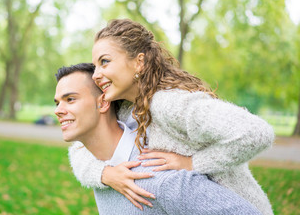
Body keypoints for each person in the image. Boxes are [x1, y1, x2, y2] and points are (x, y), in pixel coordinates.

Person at [69, 19, 275, 215]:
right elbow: (80, 148)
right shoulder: (125, 109)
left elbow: (256, 133)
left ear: (139, 62)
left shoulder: (169, 103)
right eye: (95, 66)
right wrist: (105, 174)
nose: (95, 74)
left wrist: (193, 163)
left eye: (105, 62)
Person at [54, 63, 262, 214]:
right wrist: (104, 174)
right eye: (57, 103)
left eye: (70, 99)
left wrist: (193, 163)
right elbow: (77, 152)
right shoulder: (100, 168)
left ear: (102, 103)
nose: (58, 111)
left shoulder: (159, 178)